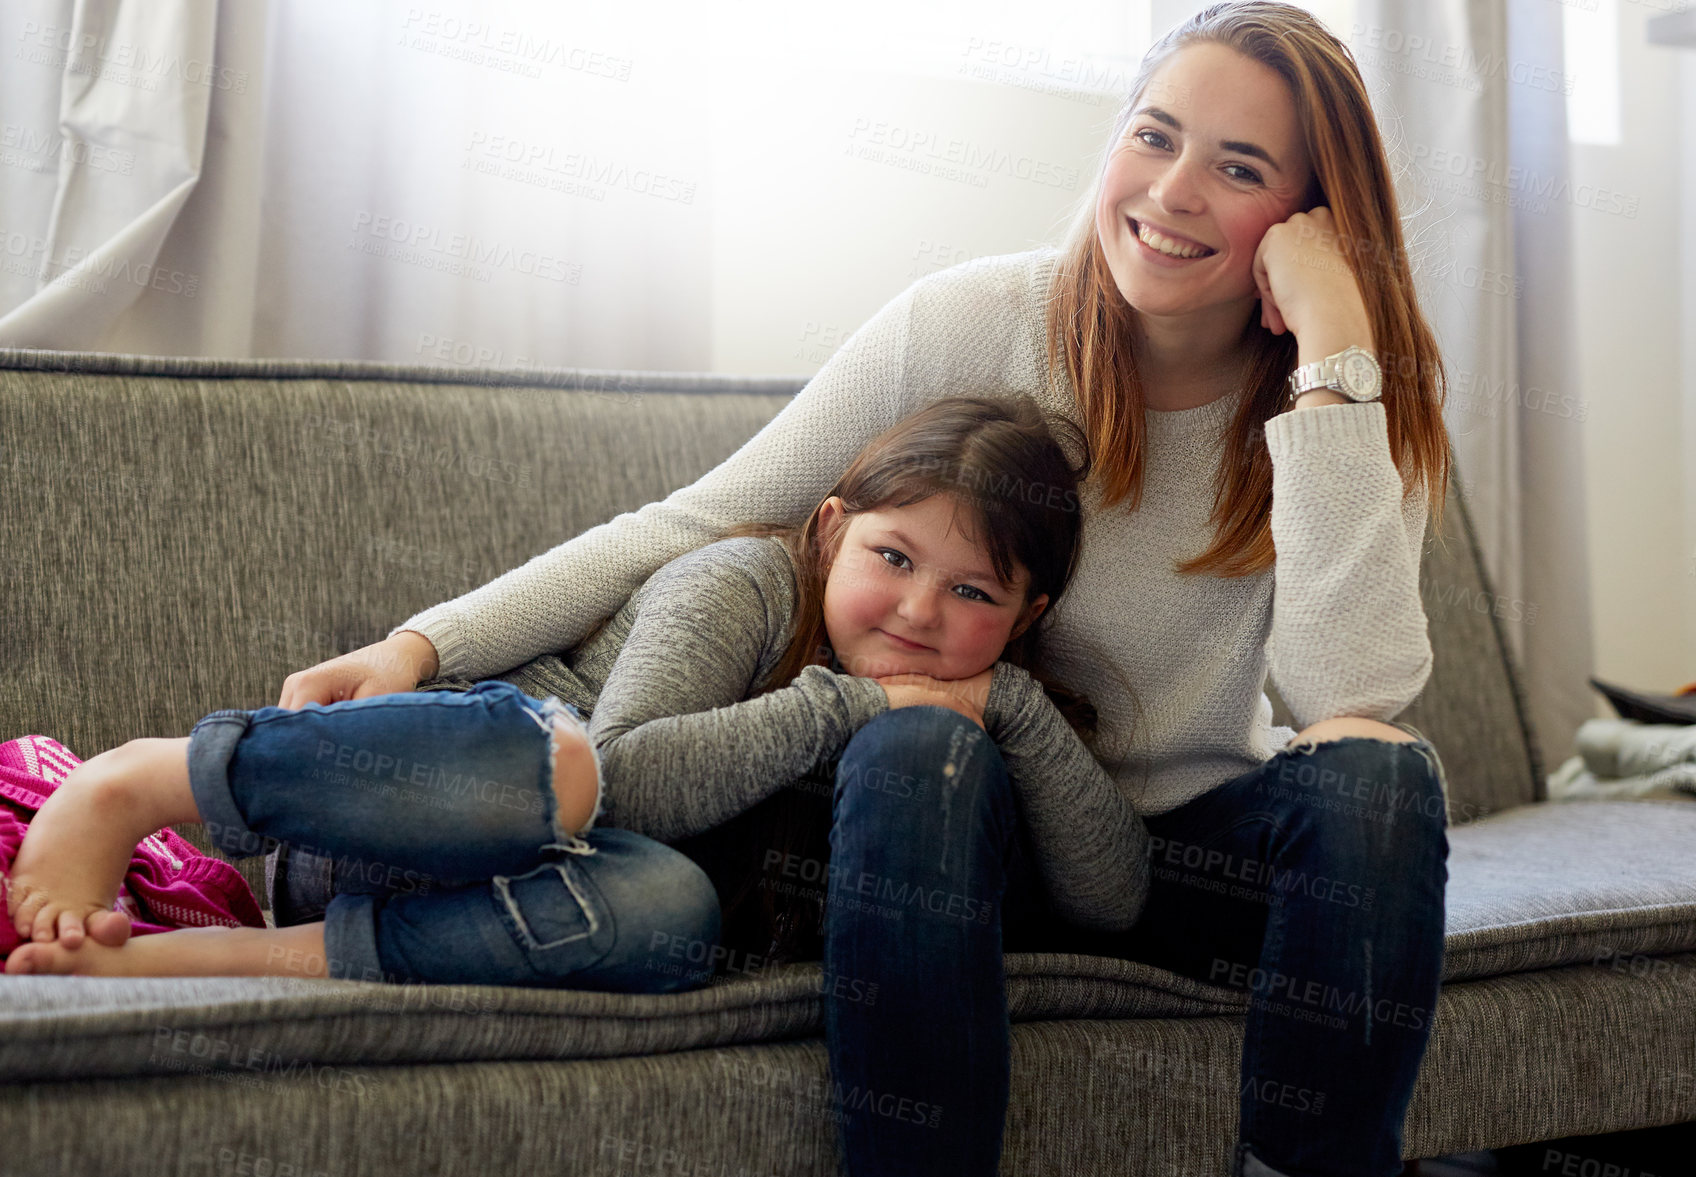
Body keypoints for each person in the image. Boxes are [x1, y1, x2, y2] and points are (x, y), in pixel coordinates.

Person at [211, 3, 1456, 1173]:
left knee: (1381, 776)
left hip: (1172, 860)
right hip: (959, 818)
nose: (1172, 192)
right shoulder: (973, 321)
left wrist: (1337, 366)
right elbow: (699, 519)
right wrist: (422, 647)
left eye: (1239, 169)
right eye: (1154, 136)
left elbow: (1349, 690)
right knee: (918, 737)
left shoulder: (1344, 402)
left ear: (1312, 219)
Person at [3, 397, 1147, 993]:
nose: (916, 616)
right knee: (563, 768)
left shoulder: (969, 699)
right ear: (832, 527)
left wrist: (1012, 702)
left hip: (509, 918)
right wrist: (846, 707)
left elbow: (1111, 899)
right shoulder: (742, 583)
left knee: (673, 916)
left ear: (1027, 614)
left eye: (972, 593)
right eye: (893, 558)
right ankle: (152, 778)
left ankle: (226, 965)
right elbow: (631, 776)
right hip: (422, 813)